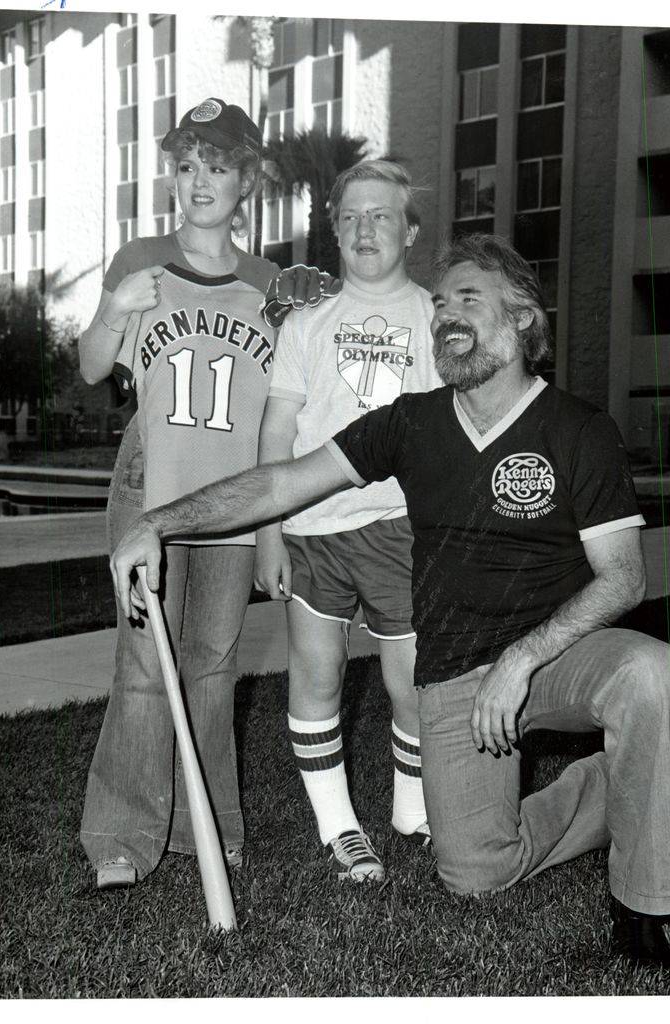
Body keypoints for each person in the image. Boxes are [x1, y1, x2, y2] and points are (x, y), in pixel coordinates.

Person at [109, 233, 670, 968]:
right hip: (454, 672)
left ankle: (641, 907)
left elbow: (623, 578)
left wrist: (523, 658)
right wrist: (156, 523)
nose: (447, 313)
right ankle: (626, 785)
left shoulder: (580, 430)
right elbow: (281, 485)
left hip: (562, 651)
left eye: (469, 300)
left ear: (521, 320)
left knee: (656, 675)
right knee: (475, 873)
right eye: (440, 302)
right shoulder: (411, 423)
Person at [79, 98, 328, 890]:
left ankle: (204, 828)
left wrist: (270, 533)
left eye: (217, 166)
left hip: (229, 503)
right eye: (186, 165)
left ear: (248, 179)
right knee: (146, 668)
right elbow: (91, 370)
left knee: (212, 668)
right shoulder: (139, 260)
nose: (198, 181)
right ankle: (121, 837)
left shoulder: (273, 286)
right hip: (147, 490)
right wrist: (114, 311)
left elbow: (281, 419)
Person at [254, 160, 441, 881]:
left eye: (383, 215)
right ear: (335, 228)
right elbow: (277, 431)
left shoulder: (433, 316)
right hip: (313, 527)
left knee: (413, 680)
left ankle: (411, 808)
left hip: (399, 524)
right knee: (318, 672)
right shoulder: (307, 323)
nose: (366, 229)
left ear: (410, 230)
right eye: (352, 217)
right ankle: (338, 827)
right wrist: (269, 528)